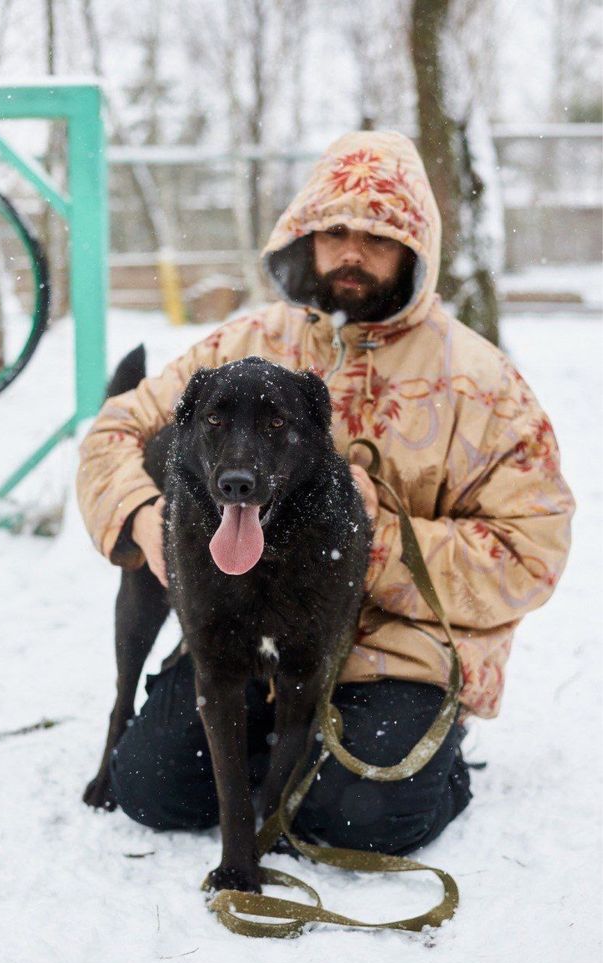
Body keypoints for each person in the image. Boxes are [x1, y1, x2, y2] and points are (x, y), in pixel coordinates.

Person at [76, 131, 574, 853]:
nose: (351, 251)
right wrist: (144, 519)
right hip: (247, 632)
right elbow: (114, 431)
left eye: (377, 236)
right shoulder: (243, 344)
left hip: (398, 651)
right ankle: (282, 753)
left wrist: (375, 545)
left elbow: (533, 555)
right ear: (302, 236)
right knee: (152, 788)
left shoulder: (481, 383)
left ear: (415, 249)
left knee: (363, 820)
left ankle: (428, 757)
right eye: (334, 230)